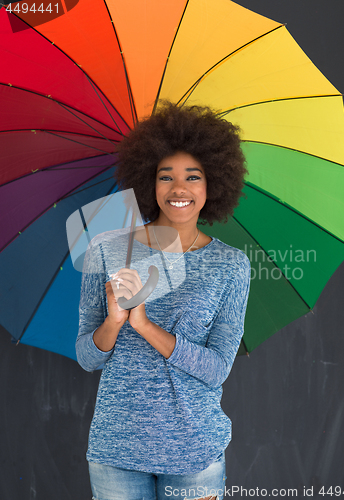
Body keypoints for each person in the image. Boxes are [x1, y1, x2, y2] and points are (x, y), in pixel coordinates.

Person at [76, 102, 251, 500]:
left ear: (212, 185)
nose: (179, 189)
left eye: (193, 176)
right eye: (165, 176)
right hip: (116, 452)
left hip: (194, 453)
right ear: (148, 184)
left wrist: (144, 325)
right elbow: (87, 356)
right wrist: (114, 322)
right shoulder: (107, 249)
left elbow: (217, 368)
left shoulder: (231, 265)